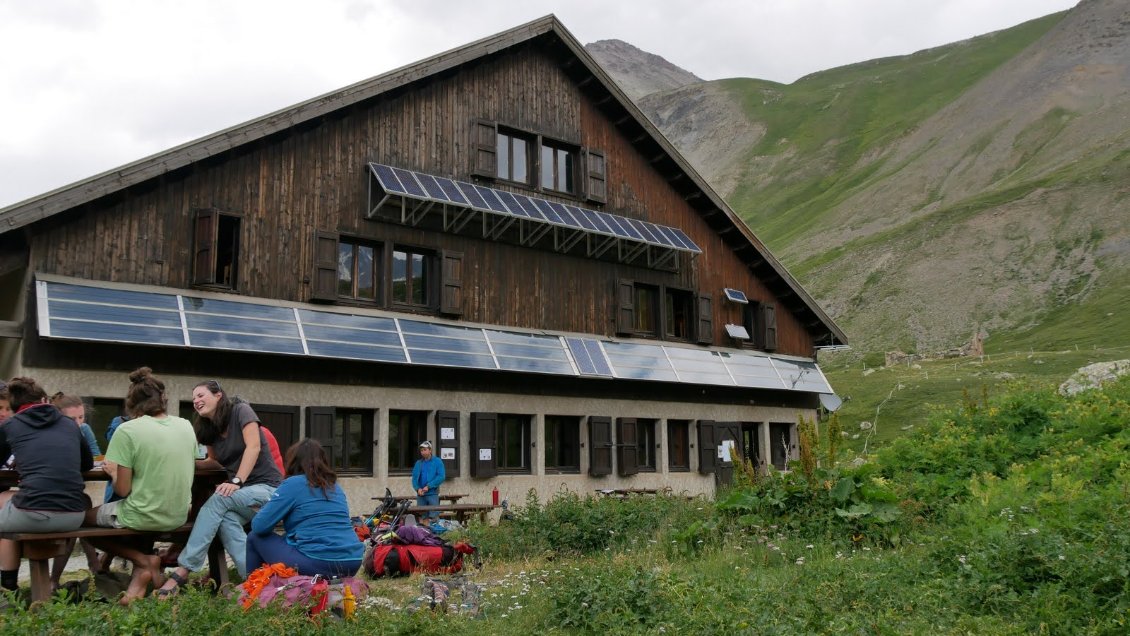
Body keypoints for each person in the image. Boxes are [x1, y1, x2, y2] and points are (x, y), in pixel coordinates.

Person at [156, 379, 281, 596]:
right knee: (226, 520)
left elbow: (254, 446)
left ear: (218, 395)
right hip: (243, 496)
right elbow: (214, 462)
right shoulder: (209, 428)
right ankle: (256, 581)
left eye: (201, 395)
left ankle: (182, 571)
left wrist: (236, 481)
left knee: (220, 498)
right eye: (193, 398)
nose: (196, 401)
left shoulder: (240, 411)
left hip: (268, 490)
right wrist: (180, 461)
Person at [84, 367, 198, 604]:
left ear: (131, 404)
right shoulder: (186, 425)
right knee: (140, 512)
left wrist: (115, 473)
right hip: (177, 514)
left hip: (143, 514)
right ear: (162, 400)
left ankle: (142, 560)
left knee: (82, 521)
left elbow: (123, 491)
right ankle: (140, 580)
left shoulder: (127, 430)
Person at [0, 377, 93, 593]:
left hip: (31, 513)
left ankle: (8, 584)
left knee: (6, 503)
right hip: (74, 515)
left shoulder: (11, 425)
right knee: (13, 504)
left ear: (14, 407)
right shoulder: (69, 424)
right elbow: (87, 463)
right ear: (44, 399)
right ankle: (10, 583)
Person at [246, 439, 363, 578]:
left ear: (293, 461)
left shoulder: (293, 484)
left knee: (254, 537)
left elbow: (259, 526)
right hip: (352, 561)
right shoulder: (335, 487)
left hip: (319, 561)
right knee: (285, 538)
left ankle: (253, 591)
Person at [46, 393, 102, 585]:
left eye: (81, 417)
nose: (78, 423)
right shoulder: (49, 432)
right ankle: (96, 569)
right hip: (49, 494)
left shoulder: (84, 430)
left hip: (72, 490)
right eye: (72, 419)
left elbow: (95, 455)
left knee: (82, 506)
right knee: (82, 507)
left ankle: (56, 580)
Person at [412, 440, 445, 518]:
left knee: (433, 517)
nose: (423, 452)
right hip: (421, 495)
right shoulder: (418, 463)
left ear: (430, 450)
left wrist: (429, 486)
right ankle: (423, 530)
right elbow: (414, 478)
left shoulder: (437, 461)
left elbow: (441, 476)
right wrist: (417, 488)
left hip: (433, 494)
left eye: (425, 450)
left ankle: (433, 530)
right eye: (421, 450)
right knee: (422, 517)